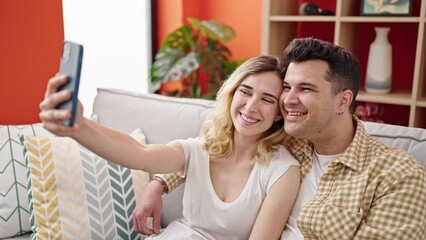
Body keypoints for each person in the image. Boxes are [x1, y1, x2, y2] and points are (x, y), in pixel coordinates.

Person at [135, 38, 426, 239]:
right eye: (287, 87)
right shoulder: (285, 138)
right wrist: (159, 184)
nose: (288, 100)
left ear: (343, 100)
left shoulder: (397, 176)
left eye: (306, 89)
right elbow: (215, 149)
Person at [39, 55, 301, 240]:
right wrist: (80, 127)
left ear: (279, 114)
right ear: (232, 94)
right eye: (245, 91)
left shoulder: (282, 170)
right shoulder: (202, 148)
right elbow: (139, 154)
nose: (251, 106)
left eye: (267, 99)